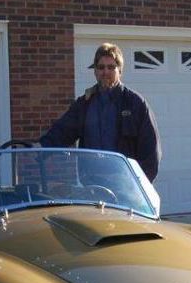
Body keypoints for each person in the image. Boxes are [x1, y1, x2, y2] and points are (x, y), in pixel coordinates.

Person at [38, 43, 162, 182]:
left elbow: (151, 153)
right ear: (95, 71)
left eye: (111, 67)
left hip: (124, 186)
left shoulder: (135, 104)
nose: (105, 72)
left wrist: (140, 186)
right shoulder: (84, 104)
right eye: (101, 67)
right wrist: (40, 147)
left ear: (120, 70)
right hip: (91, 184)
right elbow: (62, 132)